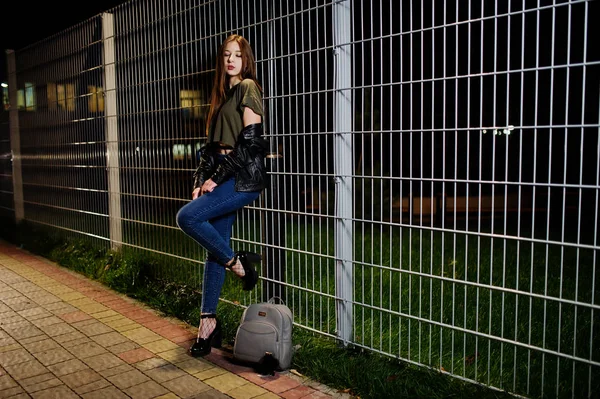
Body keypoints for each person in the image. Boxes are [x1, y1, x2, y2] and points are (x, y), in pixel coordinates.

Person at [176, 34, 269, 357]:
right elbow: (210, 149)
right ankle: (207, 324)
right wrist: (200, 178)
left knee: (187, 217)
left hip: (241, 178)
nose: (231, 60)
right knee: (213, 247)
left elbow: (251, 144)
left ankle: (239, 263)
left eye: (238, 55)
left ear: (246, 60)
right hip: (220, 173)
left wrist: (216, 178)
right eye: (227, 55)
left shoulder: (248, 88)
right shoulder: (221, 96)